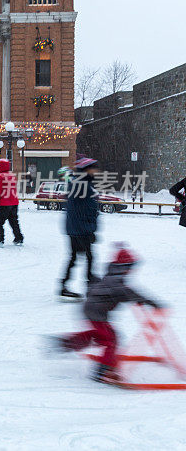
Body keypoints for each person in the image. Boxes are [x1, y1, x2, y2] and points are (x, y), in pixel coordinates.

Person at [52, 245, 162, 384]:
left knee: (98, 335)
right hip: (96, 313)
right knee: (111, 340)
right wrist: (153, 303)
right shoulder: (117, 282)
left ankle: (66, 342)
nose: (131, 270)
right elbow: (130, 293)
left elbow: (111, 290)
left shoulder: (111, 276)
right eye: (130, 267)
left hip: (91, 310)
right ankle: (104, 370)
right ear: (124, 267)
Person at [61, 157, 100, 299]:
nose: (96, 171)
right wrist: (91, 229)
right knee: (88, 257)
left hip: (76, 228)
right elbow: (87, 210)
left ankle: (65, 285)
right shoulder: (82, 185)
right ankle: (90, 285)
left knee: (77, 257)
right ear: (87, 170)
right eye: (93, 168)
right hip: (81, 229)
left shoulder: (79, 183)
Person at [0, 158, 23, 246]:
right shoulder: (12, 176)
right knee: (14, 222)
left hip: (4, 203)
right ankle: (19, 238)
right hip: (14, 202)